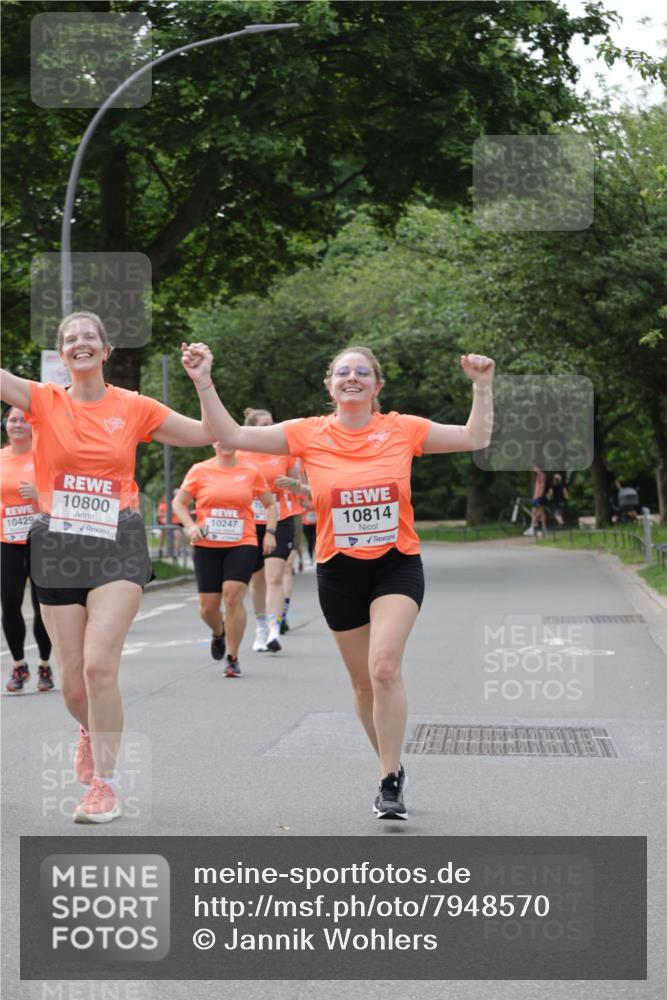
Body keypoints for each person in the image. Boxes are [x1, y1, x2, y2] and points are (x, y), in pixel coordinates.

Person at [183, 343, 494, 821]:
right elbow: (229, 433)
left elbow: (474, 436)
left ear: (377, 385)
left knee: (383, 669)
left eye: (362, 372)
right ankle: (391, 762)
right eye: (343, 372)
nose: (352, 377)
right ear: (330, 386)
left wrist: (482, 386)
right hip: (339, 571)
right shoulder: (307, 433)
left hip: (395, 564)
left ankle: (388, 782)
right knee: (363, 683)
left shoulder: (402, 428)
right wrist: (204, 381)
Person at [0, 312, 220, 824]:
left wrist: (203, 381)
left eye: (90, 337)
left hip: (117, 541)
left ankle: (105, 785)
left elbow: (209, 432)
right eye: (71, 338)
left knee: (100, 668)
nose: (80, 343)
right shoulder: (42, 400)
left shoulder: (134, 407)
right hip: (56, 544)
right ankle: (89, 730)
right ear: (62, 354)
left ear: (105, 350)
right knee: (74, 685)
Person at [172, 443, 277, 677]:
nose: (225, 443)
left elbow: (270, 504)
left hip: (242, 542)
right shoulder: (200, 470)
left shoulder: (251, 471)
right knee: (207, 608)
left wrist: (270, 532)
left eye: (229, 437)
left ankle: (232, 658)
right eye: (220, 438)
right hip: (206, 545)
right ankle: (218, 631)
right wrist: (190, 526)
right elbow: (179, 502)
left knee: (232, 597)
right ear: (213, 442)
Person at [237, 409, 301, 653]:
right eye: (264, 424)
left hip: (281, 517)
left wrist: (291, 484)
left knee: (275, 576)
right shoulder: (241, 453)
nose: (270, 427)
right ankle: (261, 626)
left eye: (272, 423)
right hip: (252, 521)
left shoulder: (284, 452)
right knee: (257, 580)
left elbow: (299, 485)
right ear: (252, 429)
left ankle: (275, 628)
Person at [1, 406, 53, 692]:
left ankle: (44, 665)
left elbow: (61, 495)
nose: (18, 424)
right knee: (9, 604)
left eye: (23, 420)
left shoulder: (45, 457)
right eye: (12, 420)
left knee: (42, 606)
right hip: (8, 541)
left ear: (33, 426)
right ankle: (19, 665)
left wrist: (39, 494)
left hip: (42, 540)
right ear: (5, 425)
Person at [524, 464, 547, 537]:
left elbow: (542, 486)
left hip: (538, 497)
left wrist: (539, 496)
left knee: (535, 512)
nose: (533, 468)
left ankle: (533, 528)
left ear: (538, 467)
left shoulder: (541, 475)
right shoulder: (539, 475)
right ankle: (543, 528)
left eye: (534, 467)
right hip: (537, 496)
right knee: (540, 513)